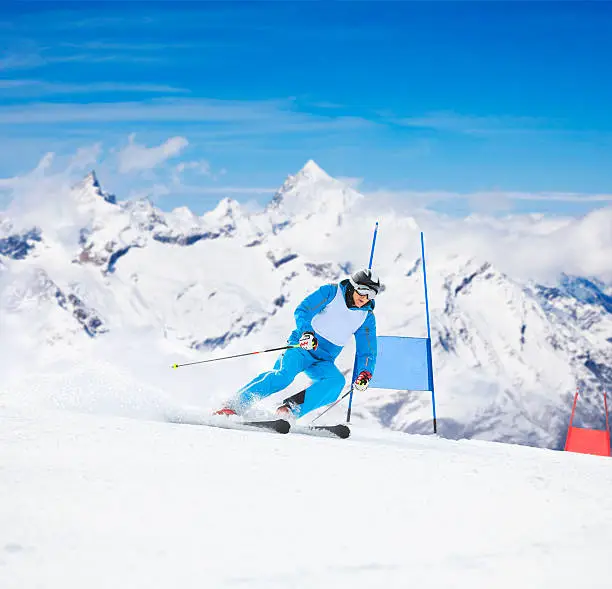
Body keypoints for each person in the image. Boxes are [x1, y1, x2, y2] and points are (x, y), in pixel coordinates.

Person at [215, 268, 380, 420]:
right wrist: (306, 333)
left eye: (371, 295)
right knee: (283, 376)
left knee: (335, 382)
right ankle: (234, 406)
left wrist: (365, 372)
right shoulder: (331, 292)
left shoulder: (366, 316)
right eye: (363, 291)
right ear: (353, 286)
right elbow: (303, 310)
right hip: (303, 347)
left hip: (324, 360)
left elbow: (367, 350)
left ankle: (289, 410)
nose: (365, 298)